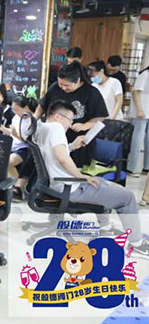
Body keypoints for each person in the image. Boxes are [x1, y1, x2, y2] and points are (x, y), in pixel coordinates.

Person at [32, 100, 148, 255]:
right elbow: (63, 159)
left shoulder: (41, 127)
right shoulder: (56, 128)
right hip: (69, 188)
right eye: (69, 120)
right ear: (58, 117)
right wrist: (81, 176)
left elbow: (53, 155)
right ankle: (137, 244)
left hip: (54, 185)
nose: (70, 124)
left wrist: (72, 146)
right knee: (127, 197)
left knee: (101, 182)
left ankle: (105, 227)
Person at [35, 61, 108, 167]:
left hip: (77, 142)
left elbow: (100, 116)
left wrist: (85, 125)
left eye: (67, 85)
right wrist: (33, 121)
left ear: (78, 80)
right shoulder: (55, 88)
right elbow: (42, 106)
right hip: (53, 138)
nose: (63, 88)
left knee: (70, 169)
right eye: (61, 84)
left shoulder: (91, 92)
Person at [7, 96, 37, 184]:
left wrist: (16, 134)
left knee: (8, 162)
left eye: (17, 110)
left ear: (26, 108)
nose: (16, 113)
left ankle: (15, 185)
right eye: (14, 110)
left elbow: (30, 140)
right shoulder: (15, 118)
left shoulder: (32, 120)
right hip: (13, 146)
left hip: (24, 148)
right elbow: (12, 133)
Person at [127, 65, 149, 176]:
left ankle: (147, 167)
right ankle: (132, 168)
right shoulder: (145, 74)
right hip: (141, 112)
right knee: (137, 140)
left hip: (147, 112)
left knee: (148, 140)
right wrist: (140, 109)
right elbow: (135, 92)